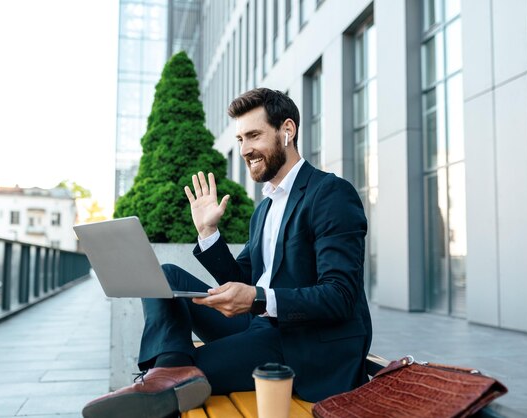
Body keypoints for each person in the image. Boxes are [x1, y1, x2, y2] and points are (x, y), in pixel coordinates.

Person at [82, 88, 372, 418]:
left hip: (305, 344)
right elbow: (241, 281)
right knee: (167, 276)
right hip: (262, 327)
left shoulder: (330, 194)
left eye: (253, 135)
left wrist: (259, 298)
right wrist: (208, 233)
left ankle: (167, 376)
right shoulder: (264, 209)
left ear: (287, 131)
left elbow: (340, 296)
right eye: (240, 140)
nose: (245, 149)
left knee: (193, 372)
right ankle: (168, 370)